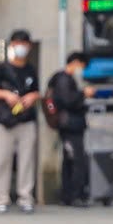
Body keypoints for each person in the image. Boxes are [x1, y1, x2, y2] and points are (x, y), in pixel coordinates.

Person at [0, 30, 41, 212]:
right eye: (17, 44)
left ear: (29, 46)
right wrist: (6, 95)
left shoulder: (31, 70)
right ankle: (1, 198)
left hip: (26, 120)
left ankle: (26, 197)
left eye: (24, 44)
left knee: (27, 161)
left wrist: (32, 97)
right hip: (5, 121)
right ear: (12, 45)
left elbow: (38, 91)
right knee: (2, 160)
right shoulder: (2, 69)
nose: (20, 47)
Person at [43, 52, 92, 207]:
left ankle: (68, 195)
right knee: (77, 160)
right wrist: (83, 93)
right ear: (76, 62)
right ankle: (74, 195)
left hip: (69, 124)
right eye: (82, 66)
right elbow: (68, 100)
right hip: (70, 125)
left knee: (69, 160)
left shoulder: (62, 78)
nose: (82, 70)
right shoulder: (64, 79)